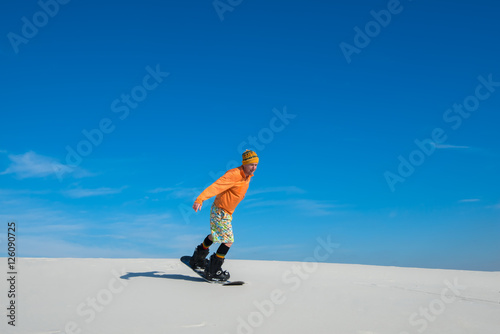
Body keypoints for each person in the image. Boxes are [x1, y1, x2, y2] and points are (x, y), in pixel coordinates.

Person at [189, 149, 259, 281]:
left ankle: (197, 259)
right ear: (244, 164)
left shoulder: (247, 177)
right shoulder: (234, 174)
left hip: (226, 213)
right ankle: (213, 270)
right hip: (220, 211)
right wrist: (200, 199)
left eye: (256, 165)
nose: (254, 168)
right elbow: (216, 186)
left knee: (215, 236)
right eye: (251, 165)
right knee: (228, 241)